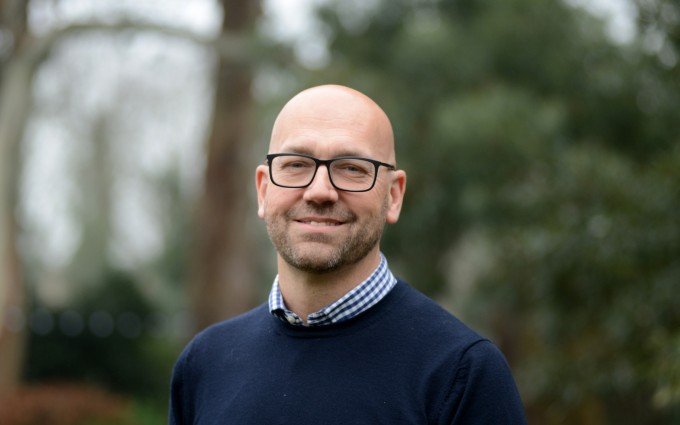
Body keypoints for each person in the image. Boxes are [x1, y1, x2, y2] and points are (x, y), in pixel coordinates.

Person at [169, 85, 527, 424]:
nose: (319, 191)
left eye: (352, 168)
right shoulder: (205, 364)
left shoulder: (460, 373)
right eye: (296, 164)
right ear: (264, 189)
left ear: (394, 196)